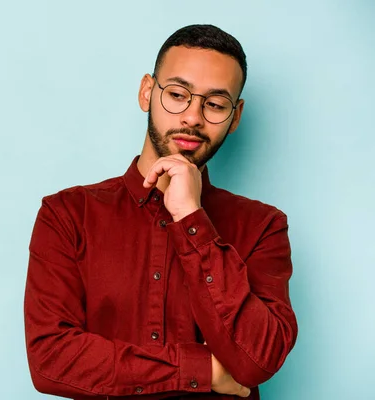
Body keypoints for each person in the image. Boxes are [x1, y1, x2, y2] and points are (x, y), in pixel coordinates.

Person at [24, 24, 298, 400]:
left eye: (215, 104)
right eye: (177, 94)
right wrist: (207, 371)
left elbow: (256, 361)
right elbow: (50, 360)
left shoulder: (264, 227)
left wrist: (190, 217)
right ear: (147, 92)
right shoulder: (67, 215)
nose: (192, 117)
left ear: (235, 117)